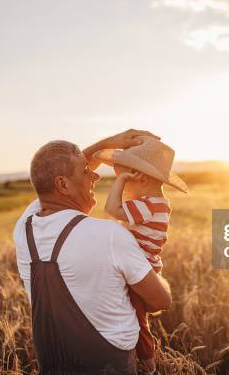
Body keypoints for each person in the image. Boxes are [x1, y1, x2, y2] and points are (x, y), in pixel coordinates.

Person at [13, 130, 172, 375]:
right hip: (111, 367)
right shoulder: (110, 236)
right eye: (86, 171)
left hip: (51, 365)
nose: (95, 173)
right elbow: (160, 301)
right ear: (63, 184)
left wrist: (108, 145)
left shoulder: (24, 225)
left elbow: (50, 178)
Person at [93, 136, 188, 373]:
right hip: (147, 265)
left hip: (140, 268)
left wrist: (122, 180)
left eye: (122, 180)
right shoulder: (158, 203)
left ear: (141, 179)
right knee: (132, 315)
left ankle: (147, 362)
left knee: (136, 318)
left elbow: (111, 209)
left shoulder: (148, 205)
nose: (122, 187)